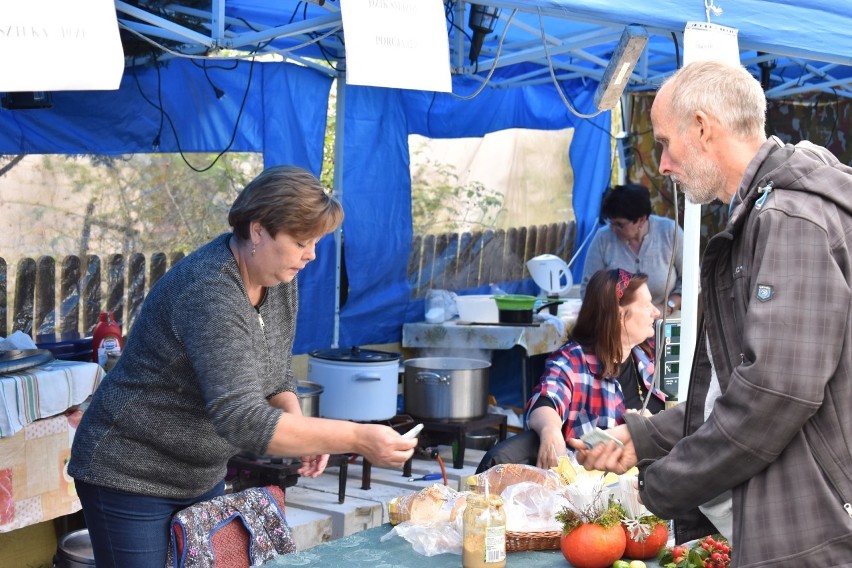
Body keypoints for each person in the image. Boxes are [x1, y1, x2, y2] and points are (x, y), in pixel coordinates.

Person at [568, 60, 852, 567]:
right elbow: (732, 387)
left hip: (813, 530)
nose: (664, 165)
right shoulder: (761, 217)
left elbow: (772, 396)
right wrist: (644, 435)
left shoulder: (790, 221)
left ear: (701, 127)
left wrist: (656, 489)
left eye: (664, 143)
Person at [68, 166, 418, 566]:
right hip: (129, 472)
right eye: (302, 241)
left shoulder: (278, 278)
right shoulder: (210, 291)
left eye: (317, 241)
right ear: (257, 231)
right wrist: (355, 438)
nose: (311, 255)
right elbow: (240, 418)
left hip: (201, 472)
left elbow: (274, 367)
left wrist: (302, 426)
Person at [476, 268, 666, 473]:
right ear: (619, 315)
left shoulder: (650, 356)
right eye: (647, 305)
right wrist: (550, 431)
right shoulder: (573, 360)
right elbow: (547, 398)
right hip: (600, 488)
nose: (656, 312)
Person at [581, 183, 684, 315]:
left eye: (619, 224)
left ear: (641, 220)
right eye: (610, 222)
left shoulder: (670, 232)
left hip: (664, 321)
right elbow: (588, 289)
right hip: (618, 324)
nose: (612, 229)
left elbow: (692, 281)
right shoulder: (603, 238)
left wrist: (668, 306)